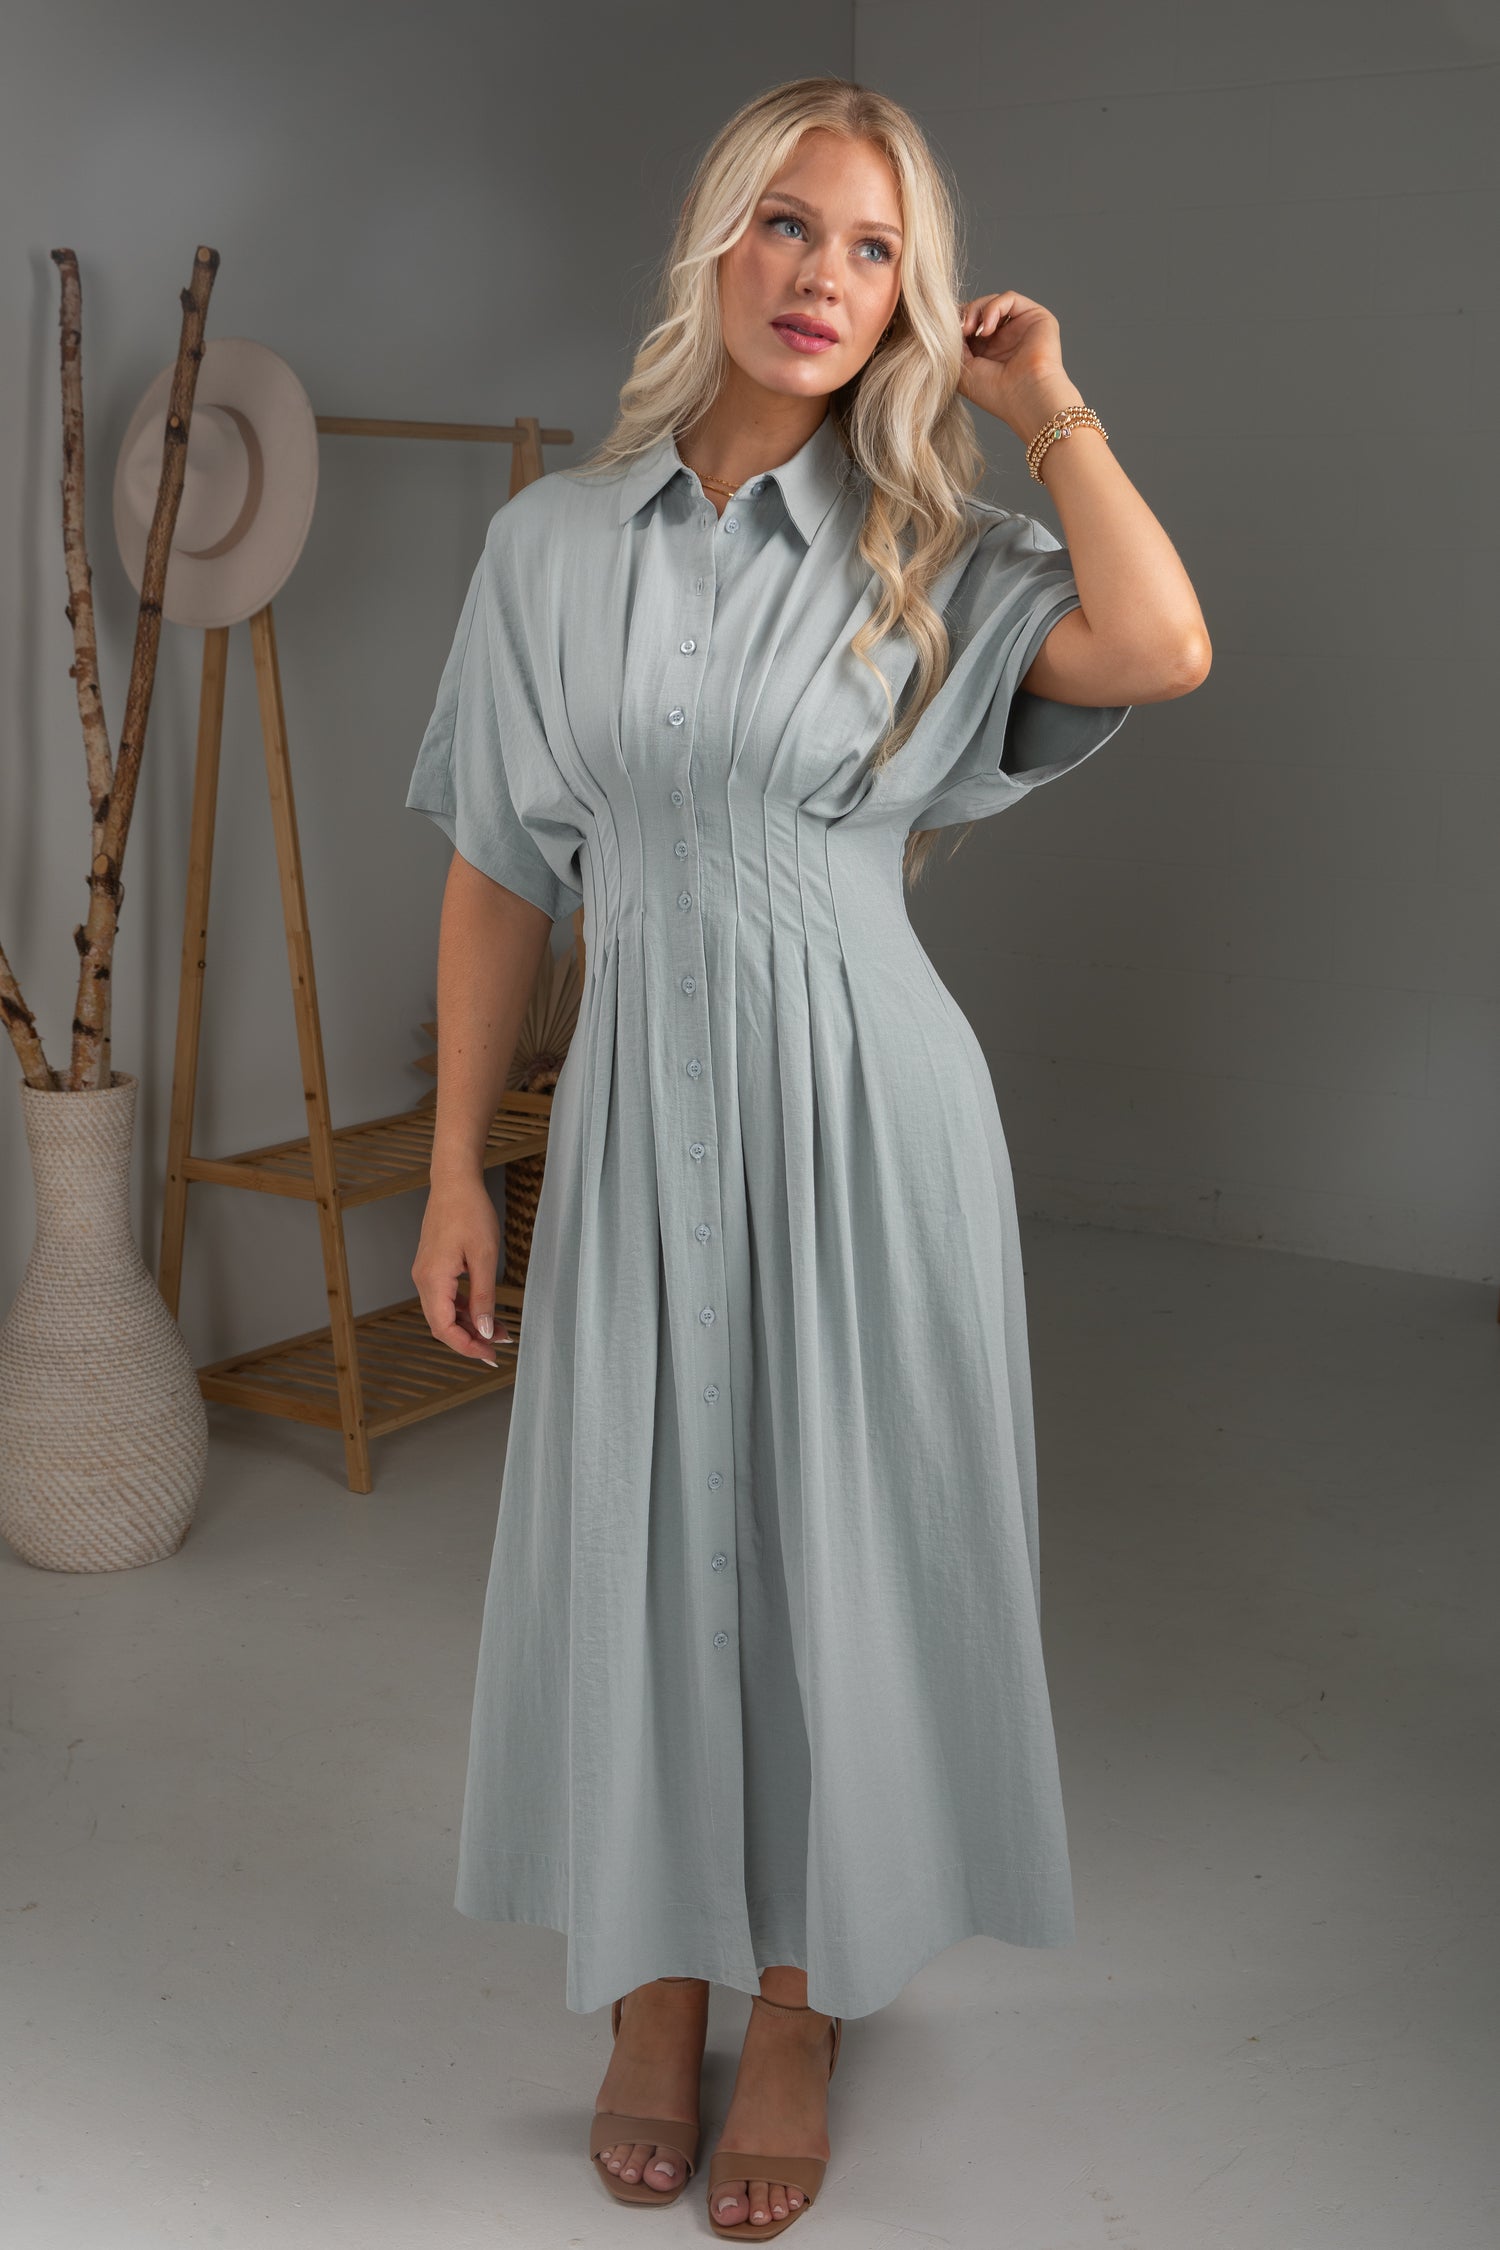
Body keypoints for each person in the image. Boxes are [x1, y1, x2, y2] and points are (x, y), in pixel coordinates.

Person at [407, 73, 1209, 2241]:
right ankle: (647, 1989)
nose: (824, 280)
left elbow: (1160, 646)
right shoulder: (548, 547)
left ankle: (800, 1996)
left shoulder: (936, 549)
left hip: (872, 1125)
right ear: (715, 251)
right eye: (789, 227)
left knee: (839, 1554)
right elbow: (500, 872)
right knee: (638, 1542)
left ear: (911, 299)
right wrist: (465, 1167)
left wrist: (1052, 409)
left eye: (872, 249)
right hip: (641, 1102)